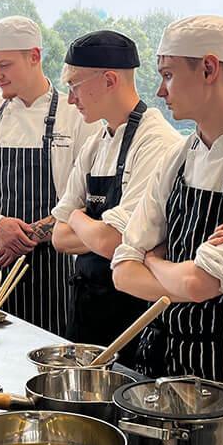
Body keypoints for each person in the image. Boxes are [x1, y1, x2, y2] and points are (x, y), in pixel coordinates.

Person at [111, 16, 223, 431]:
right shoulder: (178, 156)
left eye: (169, 75)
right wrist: (184, 270)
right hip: (160, 360)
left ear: (209, 69)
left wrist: (153, 260)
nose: (160, 90)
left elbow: (202, 285)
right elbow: (123, 271)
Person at [0, 16, 96, 335]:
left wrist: (25, 237)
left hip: (50, 270)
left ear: (35, 56)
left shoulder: (75, 116)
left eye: (5, 65)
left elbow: (85, 203)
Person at [51, 30, 182, 365]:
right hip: (85, 307)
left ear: (109, 79)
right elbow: (58, 237)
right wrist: (89, 229)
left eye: (74, 85)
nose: (70, 99)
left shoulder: (155, 141)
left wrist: (78, 217)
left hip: (130, 312)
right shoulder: (97, 142)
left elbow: (114, 242)